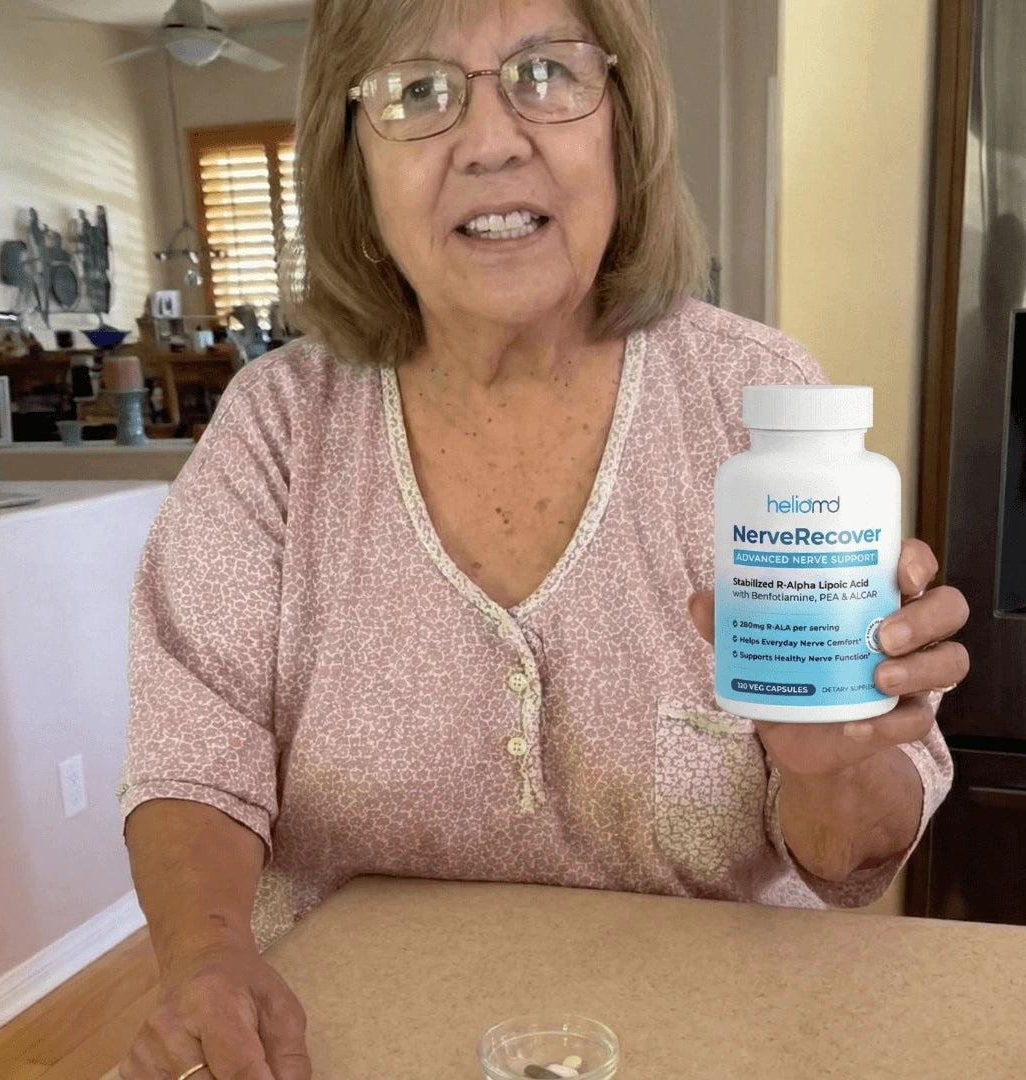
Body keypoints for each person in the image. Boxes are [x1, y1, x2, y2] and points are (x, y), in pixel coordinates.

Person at [115, 2, 969, 1078]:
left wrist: (831, 767)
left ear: (623, 123)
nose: (490, 141)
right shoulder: (278, 425)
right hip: (341, 1039)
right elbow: (192, 756)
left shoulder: (756, 405)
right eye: (416, 90)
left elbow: (851, 855)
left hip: (709, 1039)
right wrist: (206, 956)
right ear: (352, 160)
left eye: (547, 73)